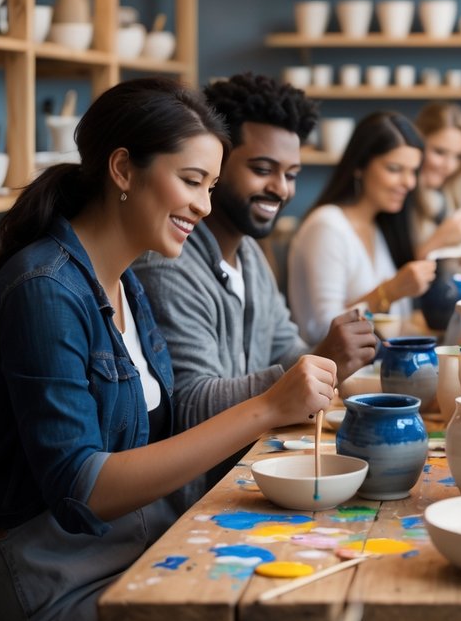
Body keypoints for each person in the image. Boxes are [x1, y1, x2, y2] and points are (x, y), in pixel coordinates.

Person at [0, 79, 339, 621]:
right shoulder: (44, 290)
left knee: (313, 587)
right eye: (191, 181)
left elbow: (164, 433)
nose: (203, 205)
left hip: (143, 546)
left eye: (211, 185)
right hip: (55, 581)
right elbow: (85, 489)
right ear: (123, 170)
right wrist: (267, 408)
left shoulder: (125, 283)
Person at [132, 74, 376, 501]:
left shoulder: (249, 256)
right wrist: (319, 359)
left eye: (291, 174)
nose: (281, 189)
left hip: (243, 475)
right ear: (215, 164)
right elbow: (189, 405)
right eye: (263, 170)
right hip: (197, 501)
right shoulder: (169, 266)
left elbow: (285, 350)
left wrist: (332, 355)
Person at [288, 111, 436, 344]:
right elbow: (320, 330)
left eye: (413, 171)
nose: (409, 182)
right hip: (336, 377)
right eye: (395, 169)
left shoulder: (378, 226)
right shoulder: (327, 226)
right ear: (359, 166)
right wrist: (389, 292)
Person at [412, 101, 461, 259]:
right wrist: (440, 239)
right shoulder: (397, 199)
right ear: (416, 142)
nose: (449, 166)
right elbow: (397, 275)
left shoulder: (444, 198)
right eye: (440, 152)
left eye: (458, 157)